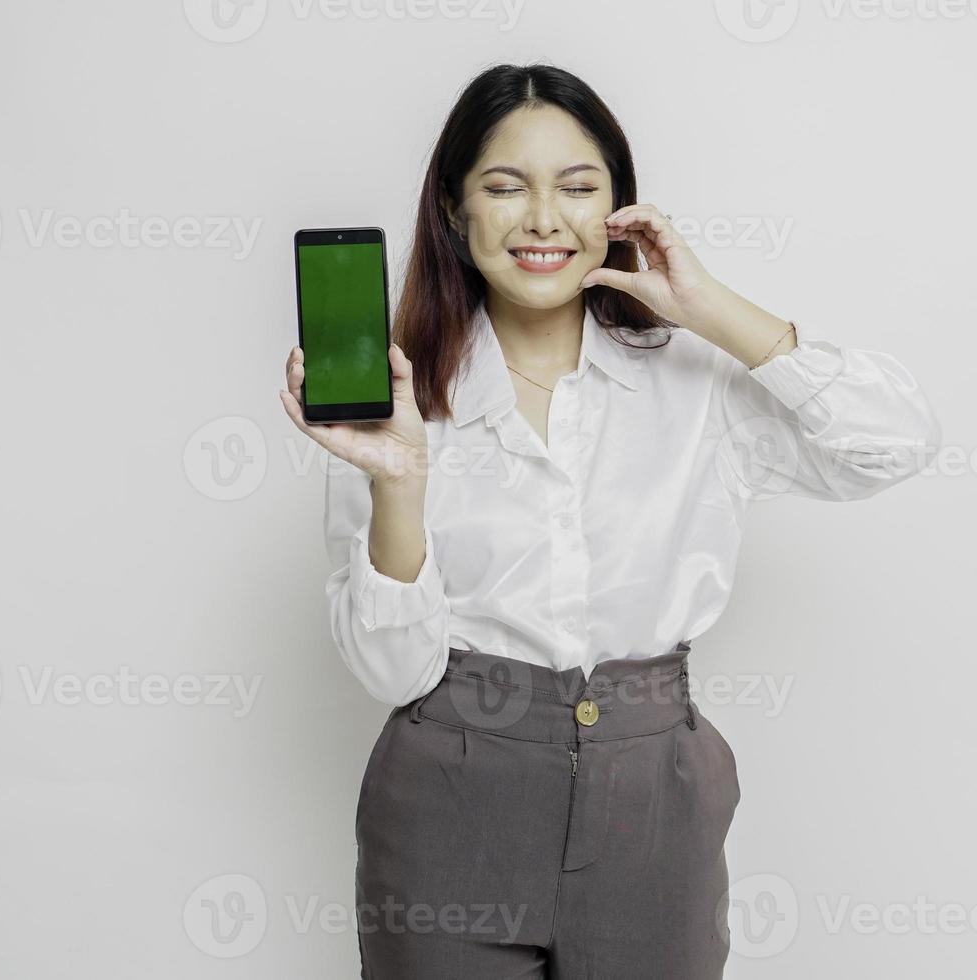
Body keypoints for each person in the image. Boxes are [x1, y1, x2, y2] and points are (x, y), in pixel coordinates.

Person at [280, 62, 940, 980]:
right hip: (447, 810)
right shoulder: (399, 404)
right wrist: (398, 483)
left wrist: (709, 308)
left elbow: (895, 442)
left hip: (655, 806)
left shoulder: (695, 382)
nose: (544, 219)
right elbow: (395, 670)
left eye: (578, 188)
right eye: (505, 187)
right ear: (455, 210)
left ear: (619, 211)